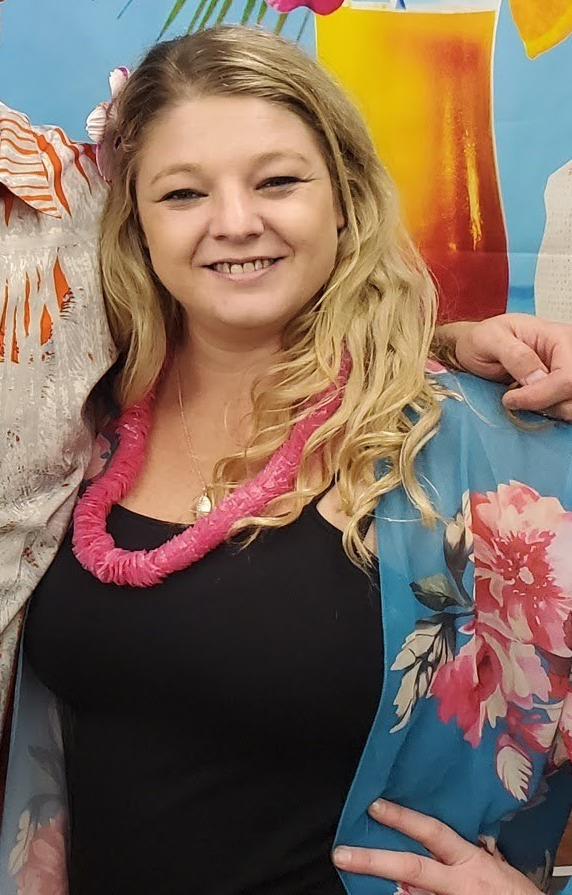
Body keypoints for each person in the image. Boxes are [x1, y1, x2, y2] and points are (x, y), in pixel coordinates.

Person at [1, 22, 572, 895]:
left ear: (342, 197)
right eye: (183, 193)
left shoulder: (480, 446)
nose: (236, 222)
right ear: (134, 224)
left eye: (278, 181)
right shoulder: (74, 418)